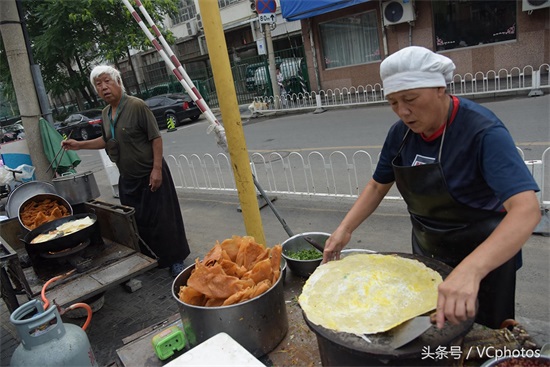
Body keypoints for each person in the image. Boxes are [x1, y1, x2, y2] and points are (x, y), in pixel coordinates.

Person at [323, 46, 541, 330]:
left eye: (410, 99)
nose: (403, 112)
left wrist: (471, 271)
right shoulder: (400, 134)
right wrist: (345, 229)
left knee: (483, 339)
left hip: (485, 258)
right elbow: (378, 185)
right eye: (393, 103)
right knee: (434, 333)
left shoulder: (482, 132)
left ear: (440, 88)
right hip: (429, 251)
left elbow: (526, 210)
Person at [62, 65, 190, 277]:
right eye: (98, 84)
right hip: (128, 178)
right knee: (138, 221)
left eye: (107, 81)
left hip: (151, 173)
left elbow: (155, 138)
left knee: (164, 220)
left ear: (118, 82)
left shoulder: (136, 106)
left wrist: (156, 169)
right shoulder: (105, 113)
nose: (103, 87)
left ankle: (175, 260)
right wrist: (79, 145)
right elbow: (106, 140)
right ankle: (153, 258)